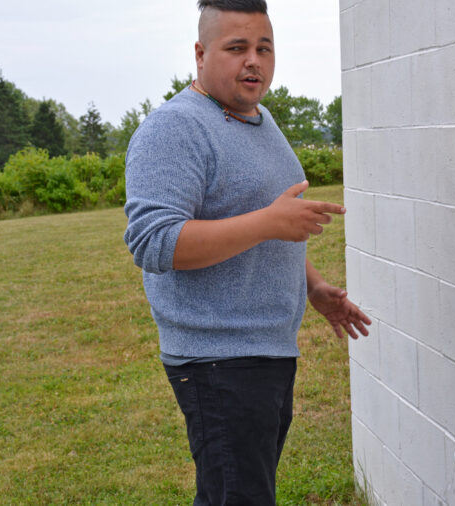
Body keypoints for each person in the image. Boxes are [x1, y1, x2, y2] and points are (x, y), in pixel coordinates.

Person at [122, 0, 371, 504]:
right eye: (237, 48)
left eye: (264, 48)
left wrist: (314, 286)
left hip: (267, 351)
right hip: (218, 360)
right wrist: (268, 222)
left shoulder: (259, 119)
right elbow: (154, 243)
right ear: (200, 52)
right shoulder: (175, 128)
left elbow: (268, 225)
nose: (253, 61)